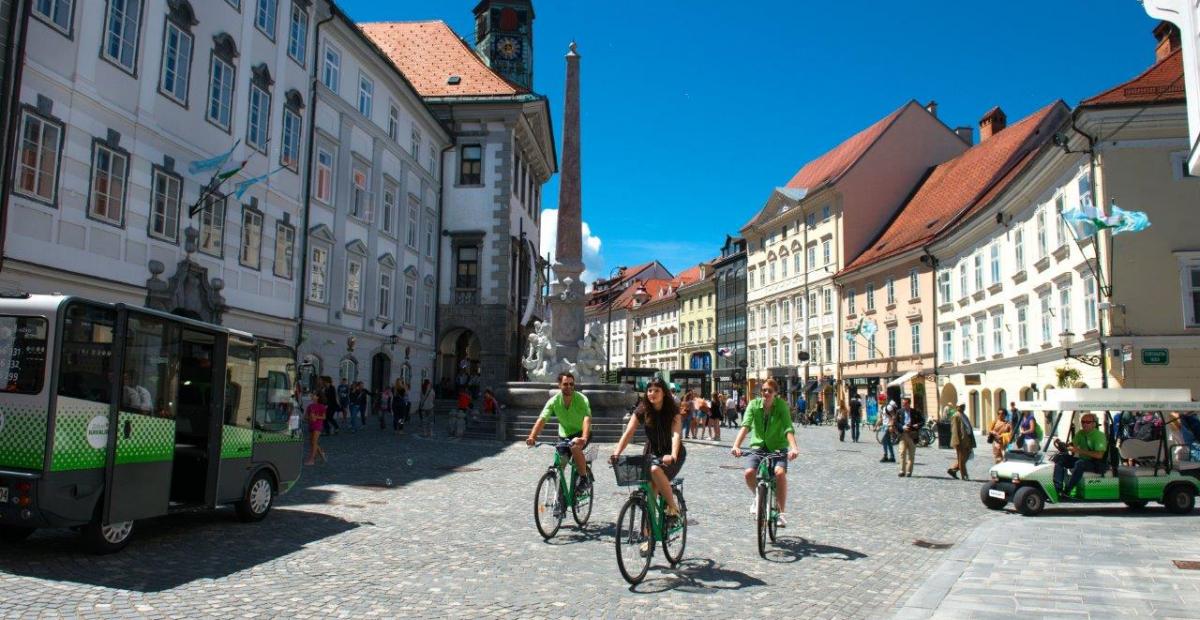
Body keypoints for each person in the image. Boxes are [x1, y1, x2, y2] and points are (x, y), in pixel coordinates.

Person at [611, 377, 685, 531]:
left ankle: (673, 510)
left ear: (664, 393)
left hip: (672, 453)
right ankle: (648, 532)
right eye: (650, 390)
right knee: (649, 488)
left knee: (654, 471)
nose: (652, 393)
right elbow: (629, 432)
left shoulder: (672, 410)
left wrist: (672, 455)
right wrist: (616, 452)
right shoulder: (643, 409)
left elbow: (676, 435)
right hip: (651, 452)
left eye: (656, 390)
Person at [731, 378, 800, 527]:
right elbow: (746, 426)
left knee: (779, 473)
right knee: (749, 472)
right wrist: (736, 445)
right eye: (764, 390)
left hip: (778, 447)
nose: (766, 393)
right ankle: (758, 496)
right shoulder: (753, 405)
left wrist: (794, 448)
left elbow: (788, 428)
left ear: (775, 393)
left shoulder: (781, 406)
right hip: (758, 447)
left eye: (770, 391)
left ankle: (781, 513)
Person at [527, 372, 593, 492]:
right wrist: (532, 437)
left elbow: (586, 419)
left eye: (571, 384)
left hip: (581, 432)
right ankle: (560, 502)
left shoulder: (582, 399)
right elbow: (542, 419)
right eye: (565, 384)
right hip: (564, 435)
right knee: (560, 467)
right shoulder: (554, 401)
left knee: (575, 448)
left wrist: (583, 438)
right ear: (559, 385)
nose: (569, 387)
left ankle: (584, 478)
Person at [1052, 413, 1107, 498]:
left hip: (1097, 464)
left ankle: (1067, 490)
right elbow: (1072, 445)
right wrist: (1062, 445)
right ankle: (1058, 488)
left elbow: (1099, 455)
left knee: (1079, 463)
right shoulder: (1080, 433)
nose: (1084, 424)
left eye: (1088, 422)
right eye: (1083, 422)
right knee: (1060, 458)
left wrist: (1078, 450)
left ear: (1094, 424)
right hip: (1084, 461)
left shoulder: (1099, 436)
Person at [895, 397, 924, 477]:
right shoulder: (899, 412)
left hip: (912, 435)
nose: (903, 405)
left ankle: (909, 471)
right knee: (902, 452)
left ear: (909, 404)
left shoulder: (915, 412)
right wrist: (902, 427)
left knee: (911, 454)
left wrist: (917, 425)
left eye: (905, 403)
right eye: (903, 403)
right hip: (903, 435)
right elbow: (896, 423)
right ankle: (902, 471)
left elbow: (922, 421)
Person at [947, 405, 975, 480]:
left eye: (963, 406)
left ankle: (953, 469)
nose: (963, 407)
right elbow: (954, 430)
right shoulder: (956, 416)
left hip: (968, 439)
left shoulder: (964, 415)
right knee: (962, 458)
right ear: (957, 407)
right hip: (961, 440)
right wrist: (956, 442)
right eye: (961, 406)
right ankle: (964, 475)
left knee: (967, 456)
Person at [305, 392, 327, 465]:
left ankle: (312, 460)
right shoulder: (310, 406)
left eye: (313, 395)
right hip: (311, 425)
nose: (312, 396)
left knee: (314, 442)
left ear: (317, 397)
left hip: (318, 425)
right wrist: (310, 418)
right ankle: (321, 453)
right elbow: (305, 417)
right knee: (312, 442)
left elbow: (324, 417)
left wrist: (316, 417)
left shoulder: (321, 406)